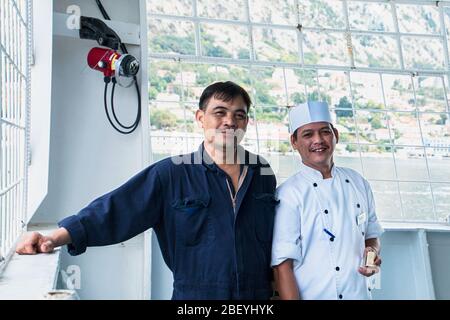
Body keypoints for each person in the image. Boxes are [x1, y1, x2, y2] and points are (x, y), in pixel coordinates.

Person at [16, 81, 278, 300]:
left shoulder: (262, 172)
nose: (230, 121)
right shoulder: (172, 174)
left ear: (246, 123)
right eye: (220, 112)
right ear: (200, 118)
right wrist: (55, 237)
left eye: (239, 115)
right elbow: (117, 208)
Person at [271, 101, 384, 300]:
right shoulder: (288, 194)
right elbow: (283, 267)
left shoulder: (359, 183)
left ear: (336, 135)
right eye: (308, 134)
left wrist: (372, 253)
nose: (318, 140)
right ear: (294, 142)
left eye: (325, 132)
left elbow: (371, 236)